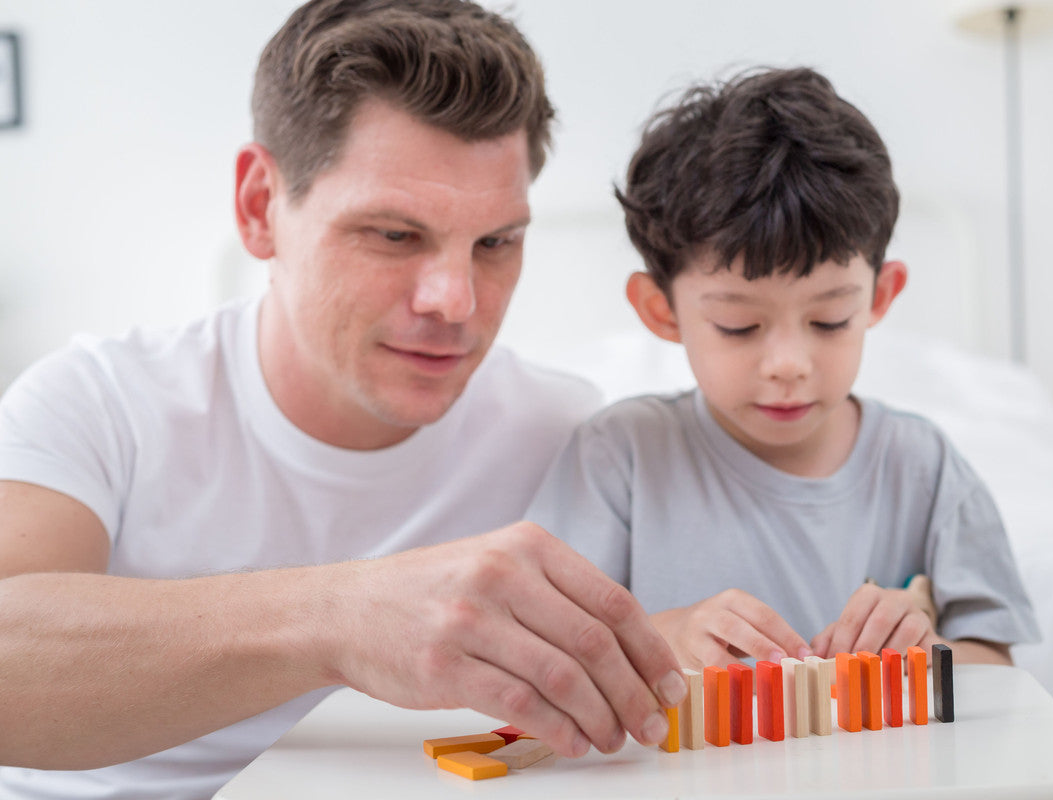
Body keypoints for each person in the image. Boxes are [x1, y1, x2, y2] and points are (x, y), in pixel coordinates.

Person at [0, 2, 687, 798]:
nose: (456, 301)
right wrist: (340, 616)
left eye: (495, 243)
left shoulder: (571, 438)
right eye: (394, 235)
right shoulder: (102, 400)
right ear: (260, 205)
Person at [525, 67, 1039, 673]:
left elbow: (996, 666)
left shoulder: (924, 468)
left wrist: (927, 658)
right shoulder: (619, 459)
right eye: (739, 326)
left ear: (880, 296)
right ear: (661, 310)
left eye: (829, 320)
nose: (789, 366)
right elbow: (547, 651)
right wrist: (667, 636)